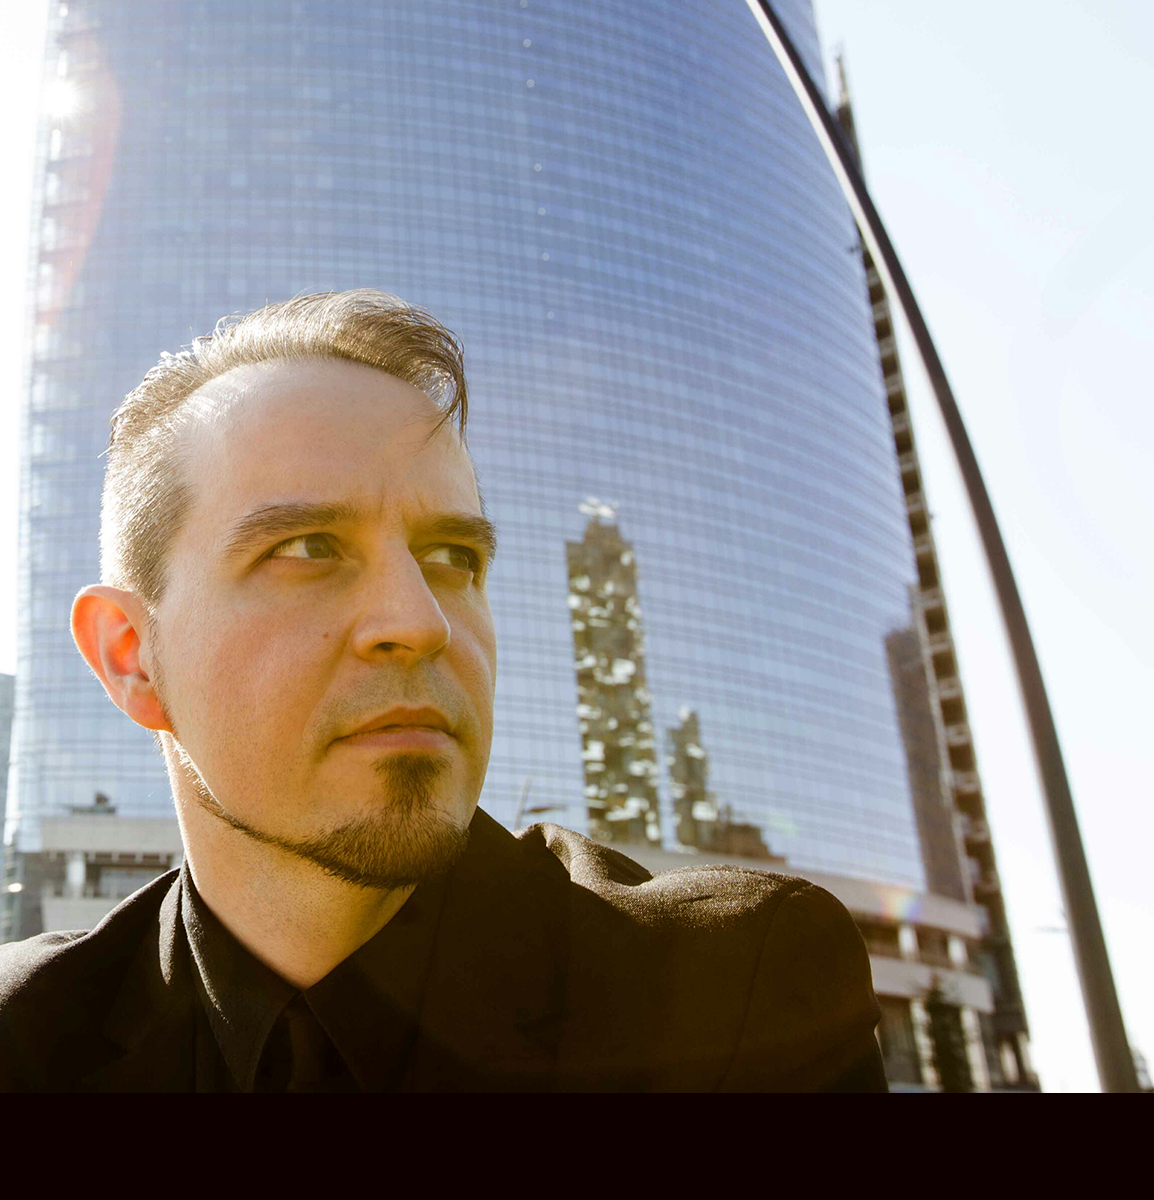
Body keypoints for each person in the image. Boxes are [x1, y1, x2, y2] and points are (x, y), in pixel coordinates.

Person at [0, 290, 886, 1092]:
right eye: (308, 548)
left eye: (452, 557)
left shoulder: (729, 1001)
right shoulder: (25, 1042)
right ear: (131, 656)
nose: (420, 622)